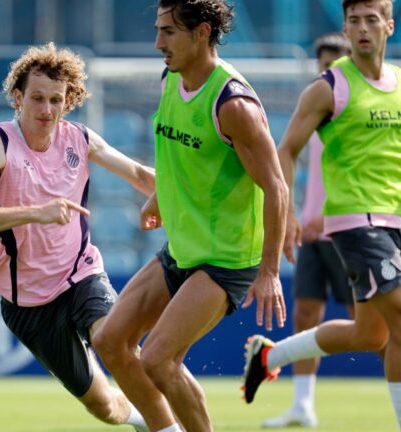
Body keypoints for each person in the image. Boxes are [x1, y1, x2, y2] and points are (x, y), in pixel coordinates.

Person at [92, 1, 289, 430]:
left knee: (159, 359)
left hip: (226, 258)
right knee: (110, 341)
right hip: (182, 248)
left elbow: (276, 186)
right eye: (158, 30)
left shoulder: (234, 104)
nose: (157, 42)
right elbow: (181, 154)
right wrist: (160, 199)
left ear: (202, 32)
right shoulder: (171, 79)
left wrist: (270, 270)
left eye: (168, 32)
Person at [0, 42, 157, 432]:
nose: (46, 110)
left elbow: (142, 176)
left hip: (80, 275)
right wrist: (35, 213)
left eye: (56, 100)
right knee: (105, 409)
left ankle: (170, 424)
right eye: (38, 99)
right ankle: (142, 421)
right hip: (27, 303)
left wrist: (193, 201)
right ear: (18, 97)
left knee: (117, 345)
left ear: (70, 100)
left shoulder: (79, 138)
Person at [244, 1, 401, 428]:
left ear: (389, 25)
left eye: (372, 20)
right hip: (355, 222)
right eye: (354, 21)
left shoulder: (400, 83)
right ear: (346, 30)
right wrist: (290, 211)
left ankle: (270, 355)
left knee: (371, 335)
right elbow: (286, 150)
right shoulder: (328, 87)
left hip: (396, 220)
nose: (363, 28)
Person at [259, 33, 354, 429]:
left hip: (350, 233)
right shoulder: (316, 113)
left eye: (335, 66)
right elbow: (290, 162)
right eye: (323, 66)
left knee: (373, 325)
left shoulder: (355, 116)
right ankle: (303, 405)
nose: (327, 73)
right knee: (305, 315)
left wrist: (328, 216)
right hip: (313, 235)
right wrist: (294, 214)